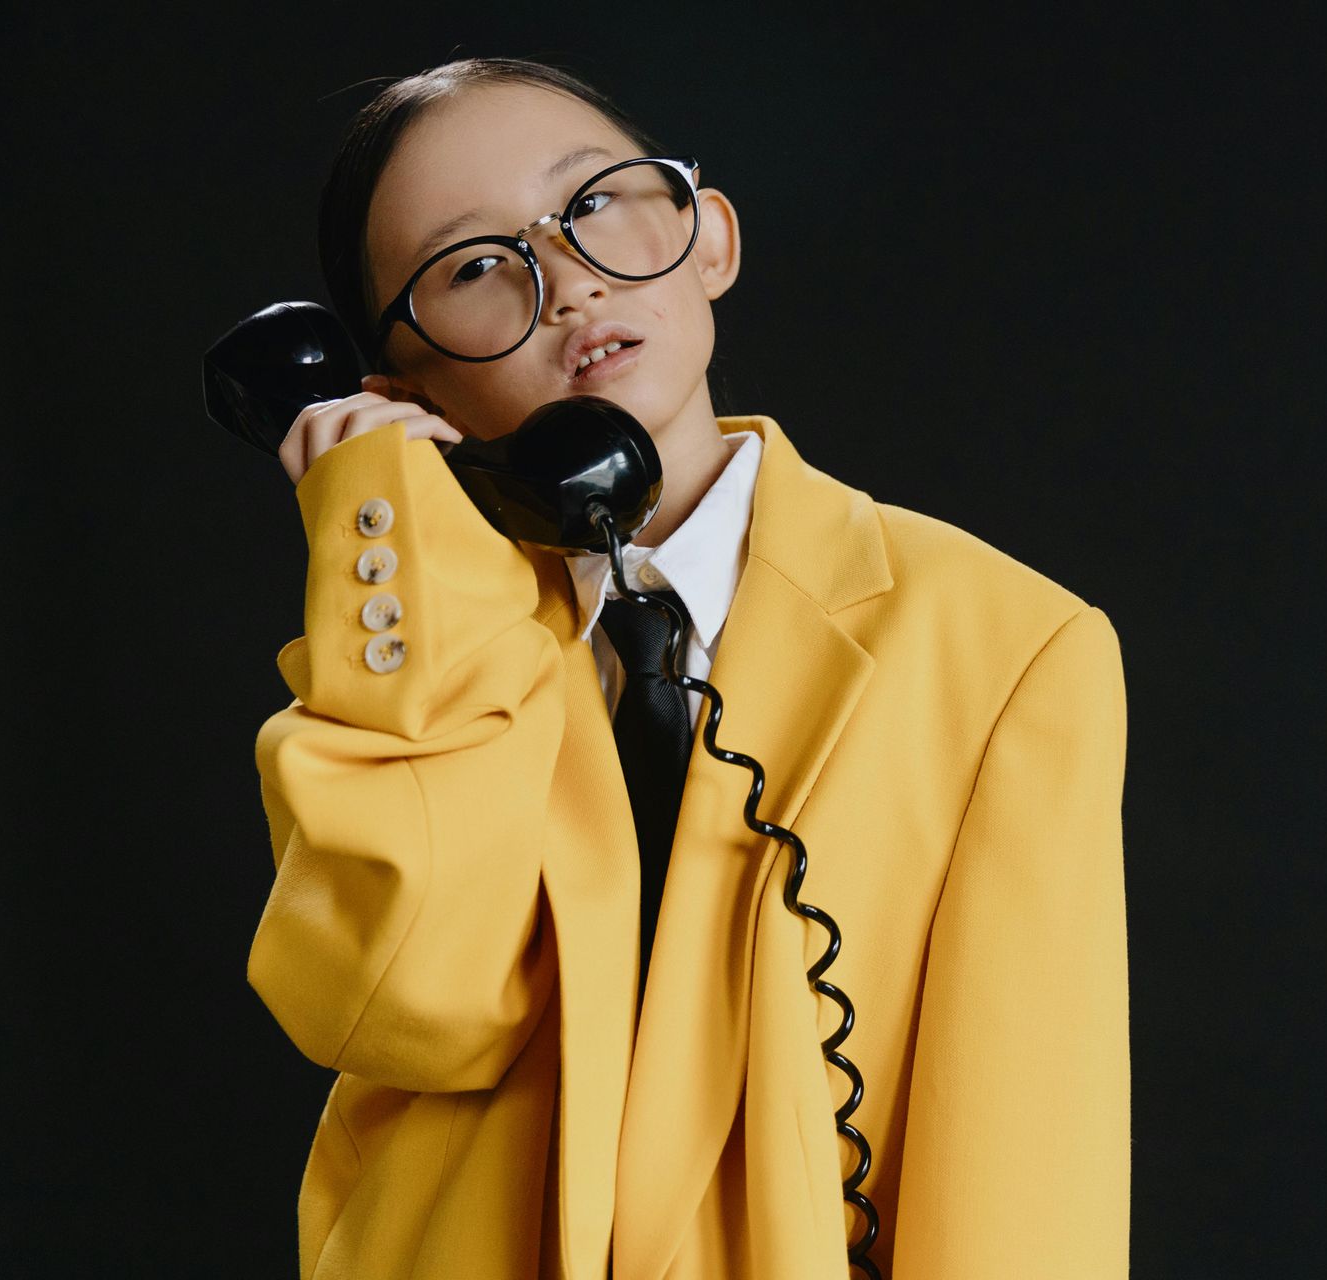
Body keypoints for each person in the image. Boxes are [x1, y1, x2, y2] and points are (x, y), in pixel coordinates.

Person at [246, 56, 1129, 1280]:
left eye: (593, 204)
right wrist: (382, 528)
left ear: (708, 236)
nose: (564, 283)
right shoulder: (412, 647)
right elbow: (410, 1001)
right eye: (471, 268)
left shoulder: (1006, 644)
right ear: (403, 386)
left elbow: (1025, 1169)